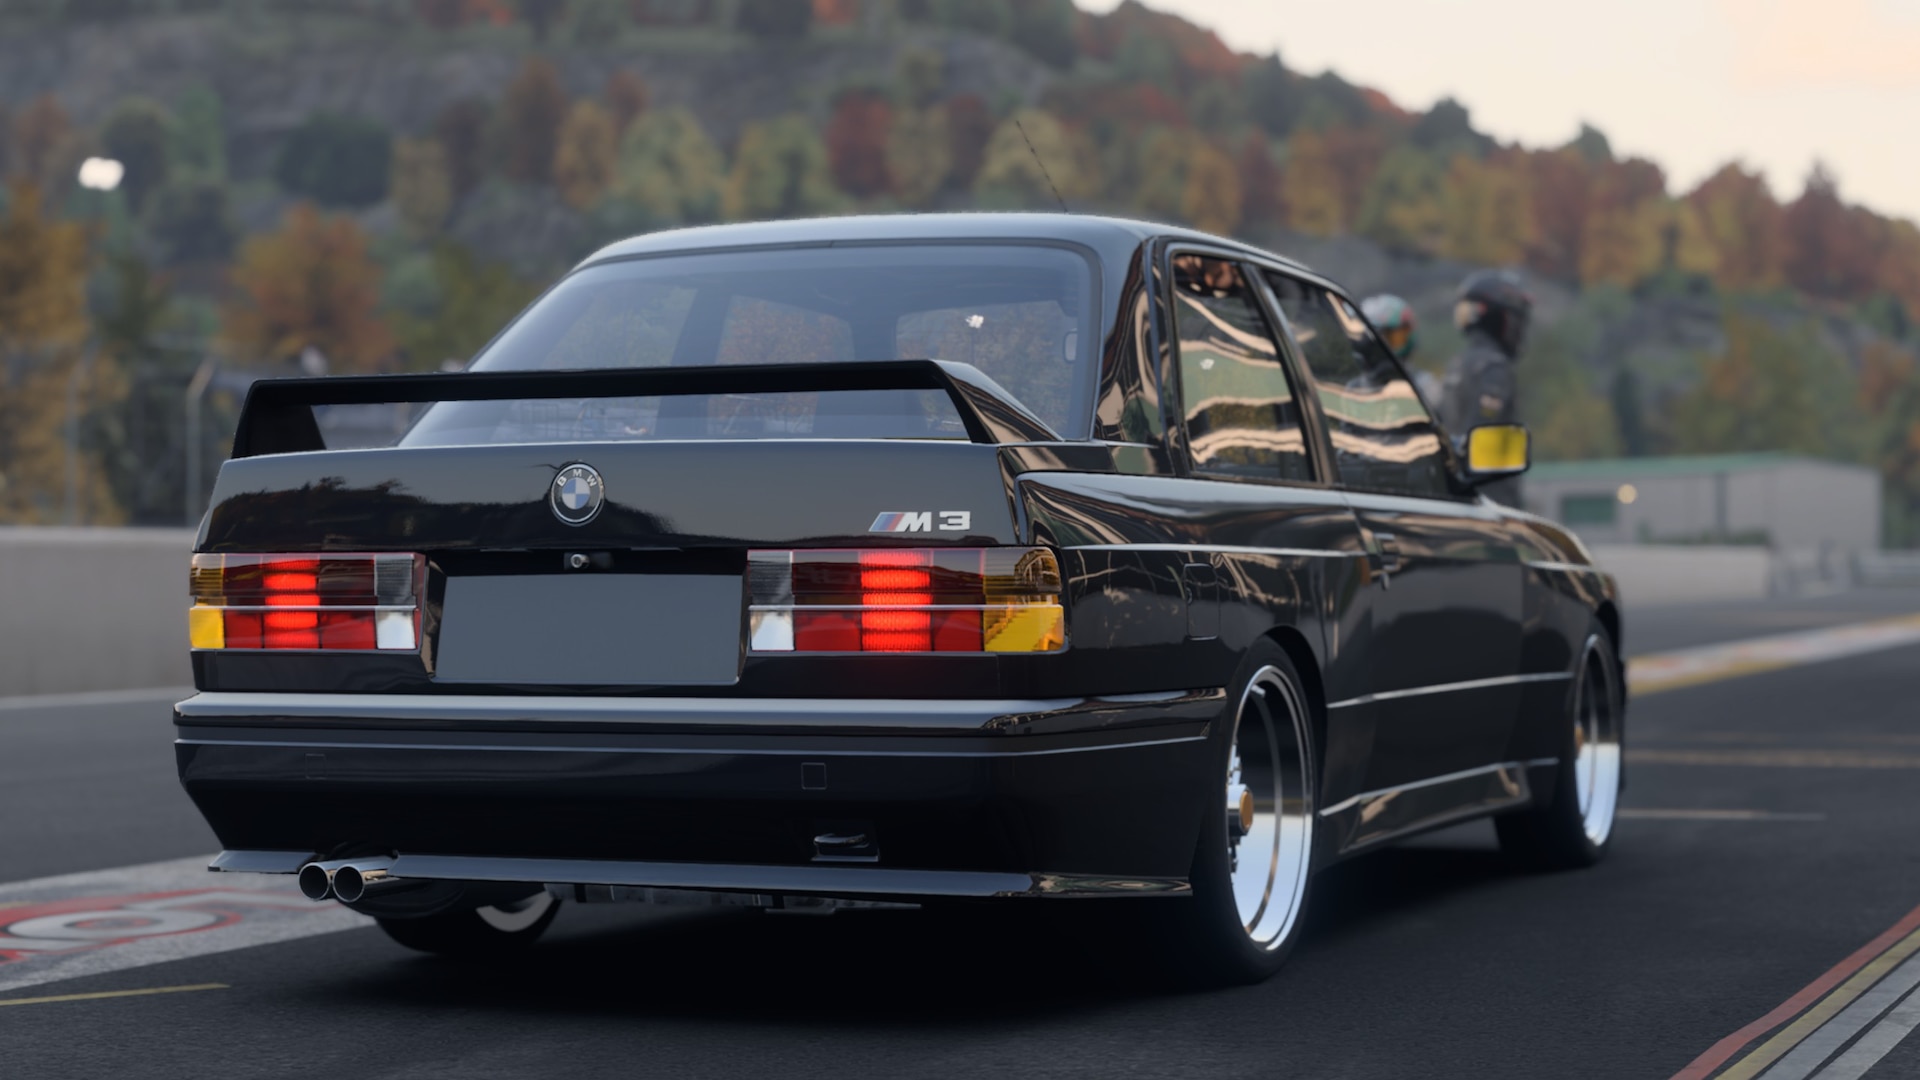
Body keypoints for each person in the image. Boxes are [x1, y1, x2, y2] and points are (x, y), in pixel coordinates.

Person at [1438, 269, 1532, 507]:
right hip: (1491, 501)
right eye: (1516, 319)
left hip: (1456, 496)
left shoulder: (1458, 365)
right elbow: (1479, 434)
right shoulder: (1494, 368)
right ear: (1501, 318)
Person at [1360, 293, 1441, 408]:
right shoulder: (1357, 389)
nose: (1387, 349)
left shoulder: (1426, 386)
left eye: (1395, 338)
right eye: (1381, 342)